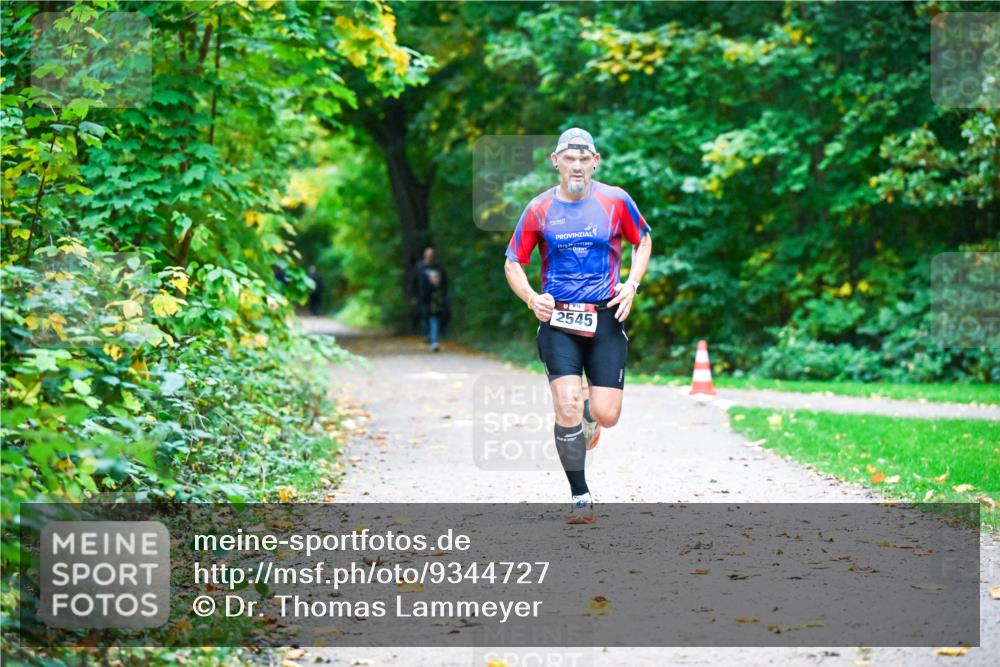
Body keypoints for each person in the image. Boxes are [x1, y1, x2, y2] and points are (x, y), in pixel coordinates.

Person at [503, 128, 652, 524]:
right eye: (570, 159)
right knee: (565, 403)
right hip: (558, 319)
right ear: (556, 161)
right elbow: (513, 262)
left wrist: (632, 285)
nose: (577, 166)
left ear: (595, 162)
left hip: (605, 315)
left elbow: (643, 241)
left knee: (607, 414)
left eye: (584, 160)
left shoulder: (615, 200)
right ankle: (580, 496)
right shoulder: (538, 208)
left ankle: (591, 416)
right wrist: (532, 298)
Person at [410, 246, 450, 352]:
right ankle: (427, 334)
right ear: (425, 255)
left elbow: (445, 282)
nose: (430, 256)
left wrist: (443, 294)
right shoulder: (419, 267)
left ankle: (434, 341)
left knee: (435, 318)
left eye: (432, 254)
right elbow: (413, 283)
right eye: (428, 254)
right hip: (423, 297)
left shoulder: (439, 267)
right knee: (425, 317)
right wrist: (413, 296)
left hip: (436, 298)